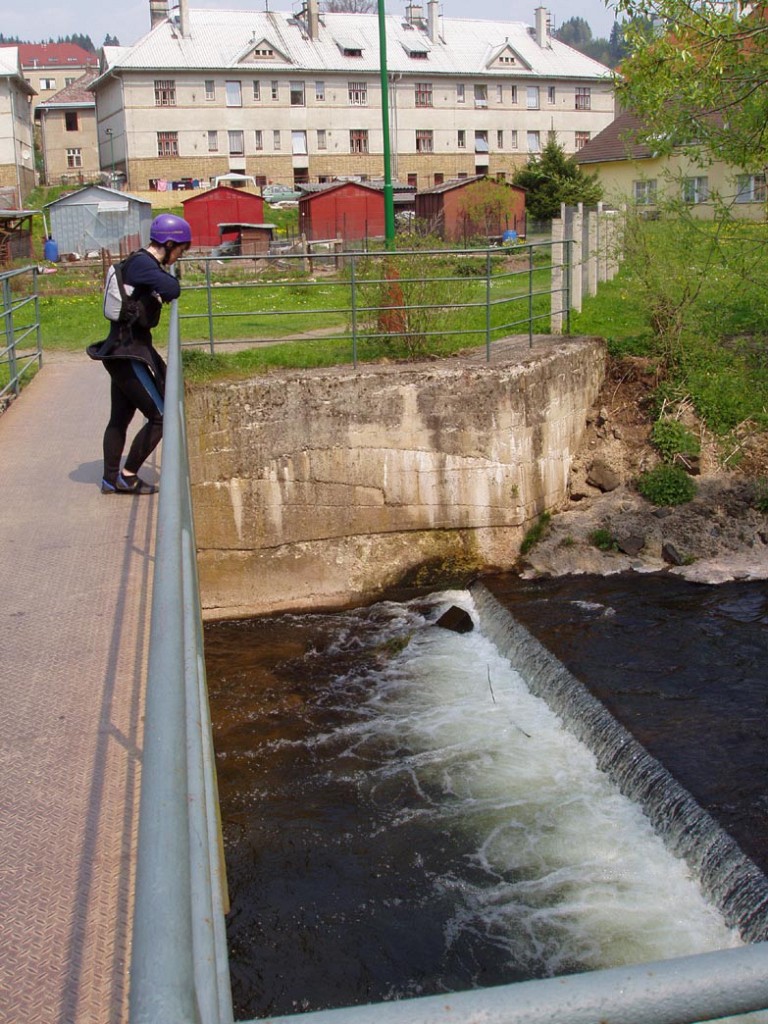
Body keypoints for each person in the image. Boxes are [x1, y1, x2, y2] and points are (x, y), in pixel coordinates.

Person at [87, 213, 192, 494]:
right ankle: (127, 475)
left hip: (122, 351)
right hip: (129, 354)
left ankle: (110, 479)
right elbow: (172, 288)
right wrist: (162, 288)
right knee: (160, 416)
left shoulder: (138, 261)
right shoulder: (144, 264)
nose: (179, 257)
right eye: (180, 250)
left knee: (119, 418)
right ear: (169, 244)